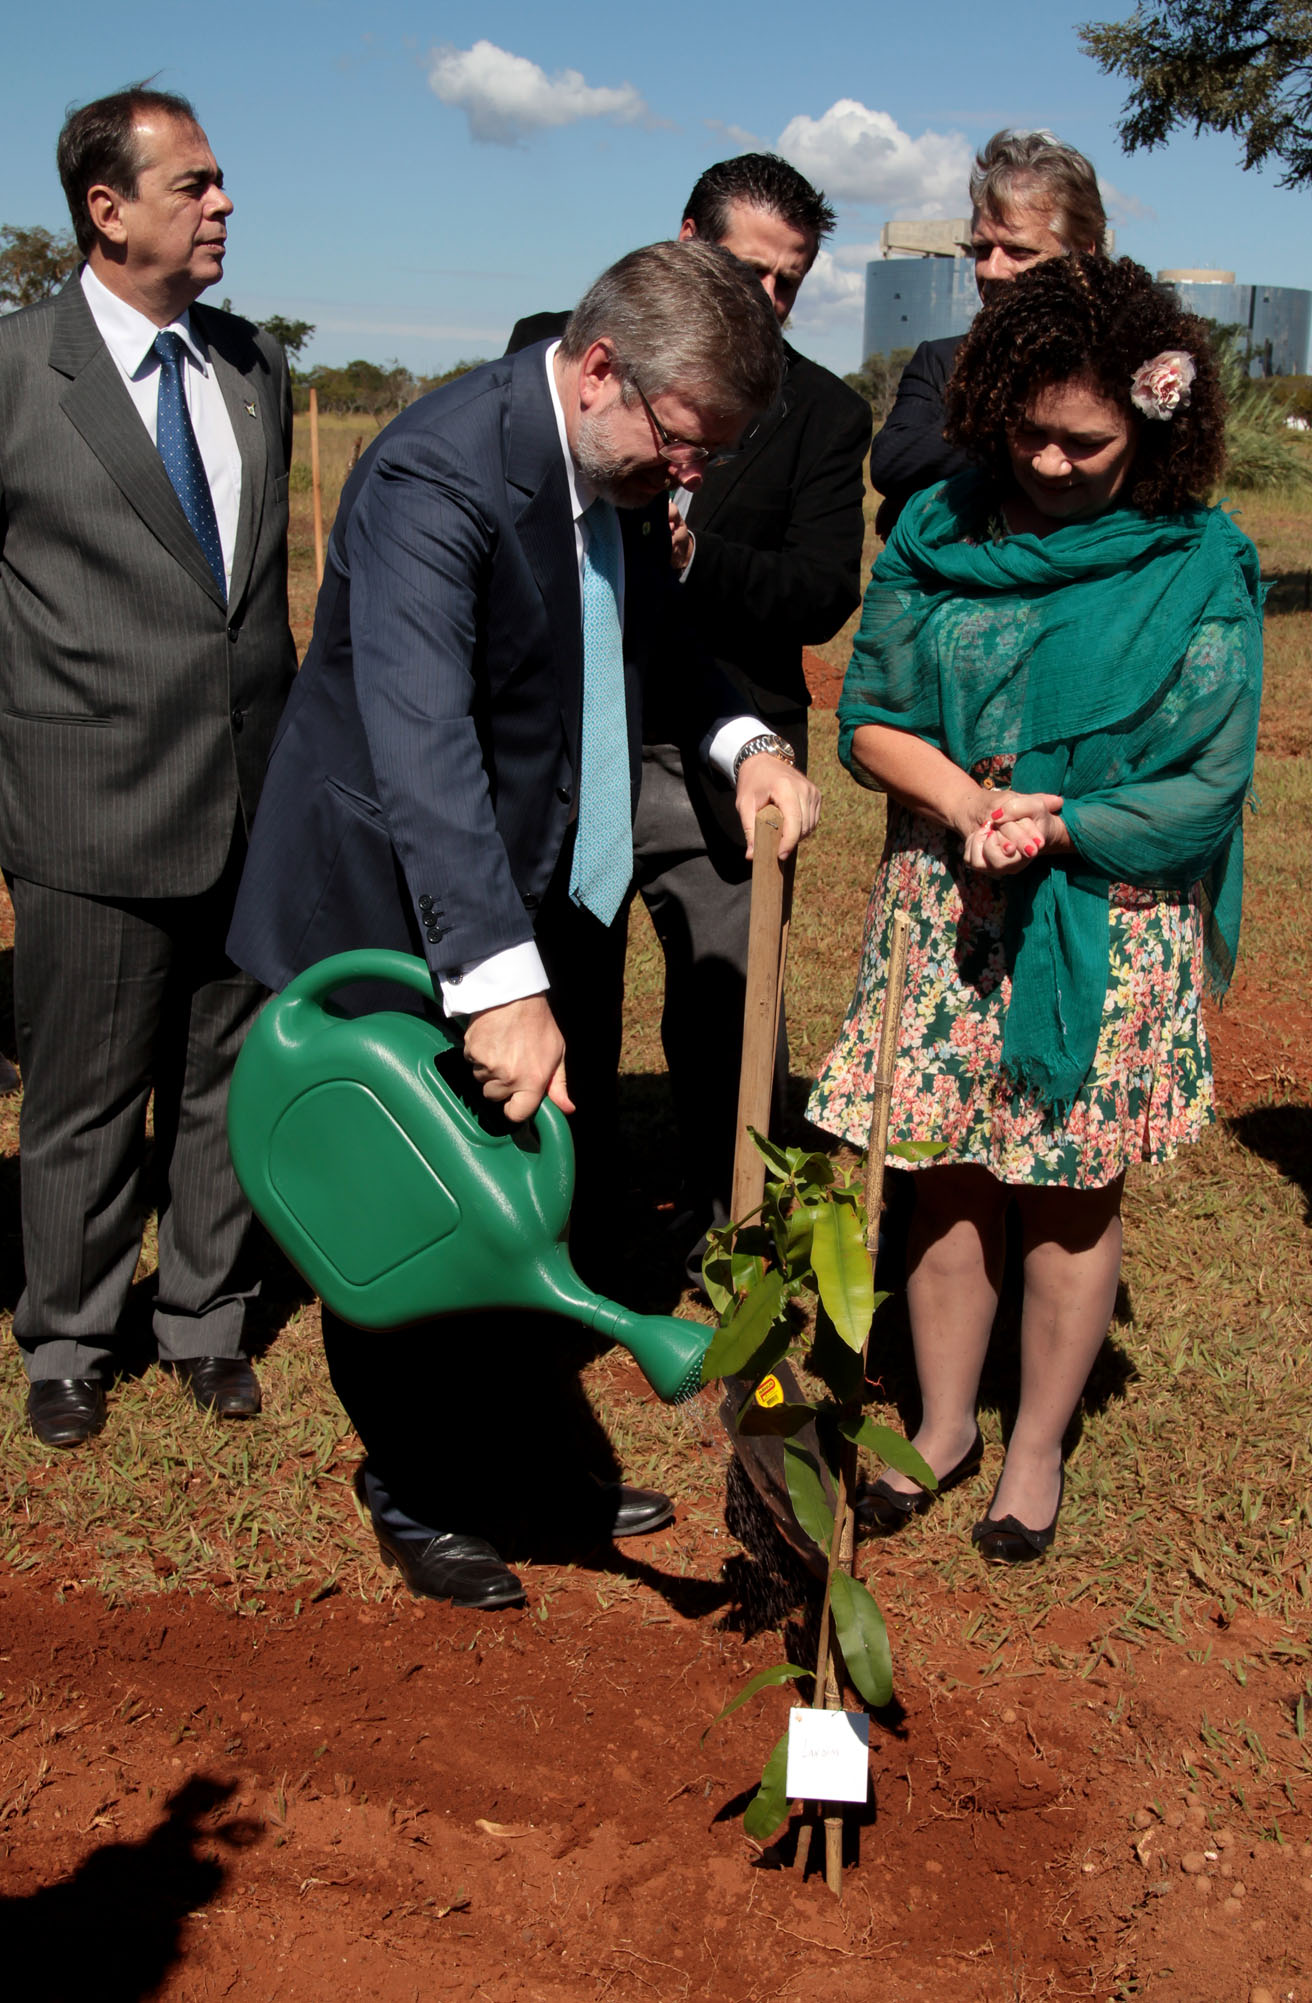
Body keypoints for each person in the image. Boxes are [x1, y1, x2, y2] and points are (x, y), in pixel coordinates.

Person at [228, 240, 822, 1610]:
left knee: (533, 1184)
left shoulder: (611, 464)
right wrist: (497, 982)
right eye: (685, 442)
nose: (694, 476)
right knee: (414, 1194)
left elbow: (654, 635)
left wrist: (740, 740)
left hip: (546, 877)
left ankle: (514, 1450)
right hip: (397, 897)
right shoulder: (437, 471)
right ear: (604, 368)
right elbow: (422, 742)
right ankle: (415, 1481)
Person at [808, 254, 1261, 1563]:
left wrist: (1051, 819)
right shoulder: (938, 533)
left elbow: (1207, 778)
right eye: (1031, 434)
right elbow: (872, 715)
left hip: (1103, 914)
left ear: (1153, 429)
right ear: (990, 409)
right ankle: (944, 1422)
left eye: (1089, 442)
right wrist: (965, 805)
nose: (1054, 464)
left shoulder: (1200, 564)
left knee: (1068, 1187)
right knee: (945, 1167)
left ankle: (1034, 1443)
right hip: (944, 896)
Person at [507, 156, 870, 1277]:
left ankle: (736, 1223)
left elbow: (819, 589)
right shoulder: (560, 350)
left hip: (730, 748)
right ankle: (567, 1220)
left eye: (789, 283)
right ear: (683, 238)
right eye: (745, 270)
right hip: (583, 738)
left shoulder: (823, 410)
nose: (766, 301)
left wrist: (694, 561)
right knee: (567, 988)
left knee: (725, 1008)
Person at [0, 86, 296, 1448]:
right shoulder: (17, 374)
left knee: (225, 1075)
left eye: (225, 180)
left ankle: (204, 1314)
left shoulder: (251, 369)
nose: (223, 202)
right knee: (82, 1093)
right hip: (86, 807)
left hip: (247, 798)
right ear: (105, 209)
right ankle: (66, 1330)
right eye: (194, 184)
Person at [869, 129, 1107, 541]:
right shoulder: (943, 360)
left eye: (1018, 251)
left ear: (1082, 253)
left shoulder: (1126, 363)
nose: (992, 270)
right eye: (981, 250)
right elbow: (892, 463)